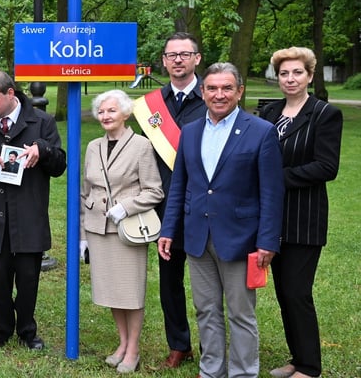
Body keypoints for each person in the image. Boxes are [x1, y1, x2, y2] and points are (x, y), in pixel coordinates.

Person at [158, 62, 284, 378]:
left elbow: (272, 193)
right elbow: (179, 186)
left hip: (241, 238)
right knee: (206, 309)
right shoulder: (190, 132)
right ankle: (211, 369)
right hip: (197, 236)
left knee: (241, 313)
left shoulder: (261, 131)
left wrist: (267, 241)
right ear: (202, 92)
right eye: (212, 88)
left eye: (227, 88)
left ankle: (243, 372)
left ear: (239, 92)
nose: (219, 94)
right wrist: (169, 228)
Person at [0, 70, 67, 354]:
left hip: (28, 214)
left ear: (11, 93)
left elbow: (59, 166)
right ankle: (0, 330)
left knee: (28, 277)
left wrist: (42, 150)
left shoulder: (42, 121)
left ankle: (27, 330)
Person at [259, 47, 342, 378]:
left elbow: (326, 167)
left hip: (303, 216)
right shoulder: (268, 112)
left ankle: (309, 367)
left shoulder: (324, 114)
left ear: (309, 75)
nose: (290, 79)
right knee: (283, 293)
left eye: (297, 73)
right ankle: (297, 358)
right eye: (284, 73)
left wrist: (274, 179)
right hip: (268, 217)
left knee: (297, 292)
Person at [133, 31, 206, 368]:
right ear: (163, 61)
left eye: (185, 53)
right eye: (171, 54)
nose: (178, 59)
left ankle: (214, 347)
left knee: (211, 283)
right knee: (170, 281)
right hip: (166, 206)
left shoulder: (214, 97)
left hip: (207, 206)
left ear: (197, 59)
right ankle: (180, 345)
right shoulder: (152, 106)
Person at [80, 89, 164, 373]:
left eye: (111, 110)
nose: (105, 116)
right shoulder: (93, 146)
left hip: (127, 229)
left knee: (130, 292)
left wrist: (126, 207)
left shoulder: (141, 145)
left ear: (125, 113)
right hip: (97, 229)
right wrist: (82, 235)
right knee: (111, 291)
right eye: (101, 111)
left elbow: (155, 190)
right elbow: (85, 191)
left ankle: (134, 348)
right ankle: (122, 342)